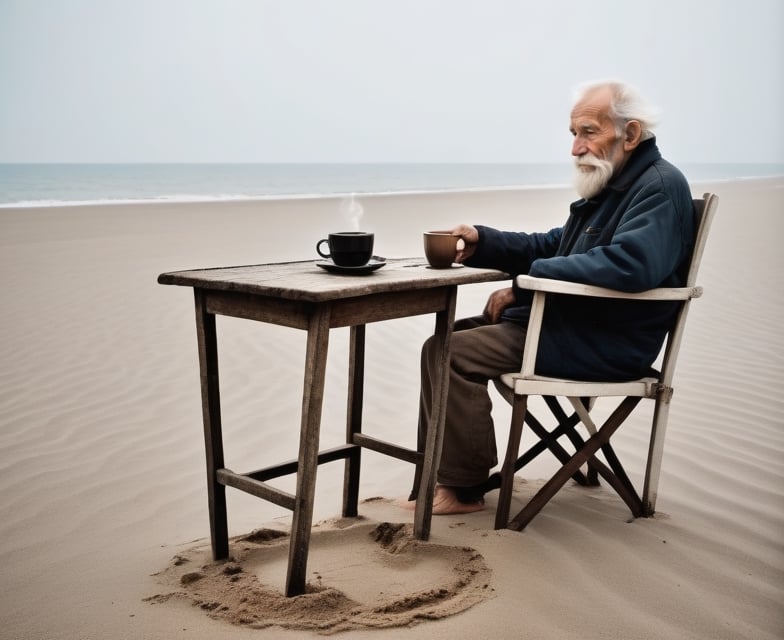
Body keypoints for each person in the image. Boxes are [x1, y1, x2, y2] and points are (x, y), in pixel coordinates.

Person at [413, 80, 695, 515]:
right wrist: (482, 240)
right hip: (566, 327)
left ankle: (462, 488)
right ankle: (439, 476)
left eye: (588, 132)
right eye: (573, 134)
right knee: (445, 341)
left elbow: (631, 264)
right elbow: (553, 245)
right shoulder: (614, 183)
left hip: (601, 342)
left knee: (449, 354)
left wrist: (525, 282)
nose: (576, 148)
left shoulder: (658, 186)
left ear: (631, 134)